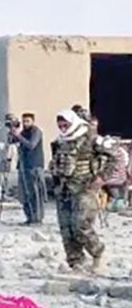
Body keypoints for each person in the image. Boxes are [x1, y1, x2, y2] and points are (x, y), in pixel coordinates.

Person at [49, 108, 110, 272]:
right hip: (64, 190)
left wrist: (101, 178)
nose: (63, 128)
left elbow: (114, 156)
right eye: (60, 126)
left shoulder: (89, 138)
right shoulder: (59, 141)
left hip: (84, 188)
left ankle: (98, 254)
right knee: (66, 228)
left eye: (66, 125)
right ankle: (76, 261)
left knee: (80, 225)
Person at [8, 112, 46, 225]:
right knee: (25, 193)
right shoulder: (23, 132)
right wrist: (12, 132)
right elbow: (11, 141)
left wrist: (19, 136)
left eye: (28, 121)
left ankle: (37, 218)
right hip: (24, 166)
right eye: (24, 121)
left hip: (34, 166)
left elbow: (31, 145)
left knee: (35, 194)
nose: (25, 123)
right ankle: (29, 217)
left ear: (33, 121)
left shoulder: (36, 131)